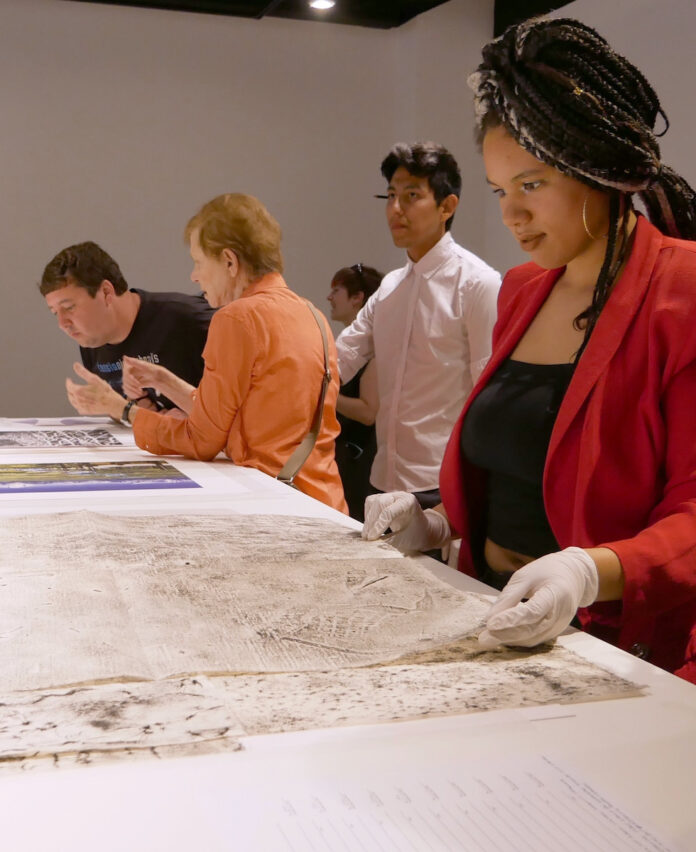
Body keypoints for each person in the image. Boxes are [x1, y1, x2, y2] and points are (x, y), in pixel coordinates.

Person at [363, 18, 696, 684]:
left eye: (532, 185)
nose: (511, 215)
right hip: (489, 605)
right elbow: (521, 457)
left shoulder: (681, 289)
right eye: (499, 191)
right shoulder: (522, 290)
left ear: (597, 165)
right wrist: (434, 518)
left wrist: (587, 571)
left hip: (611, 643)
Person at [65, 194, 347, 513]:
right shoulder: (312, 315)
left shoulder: (235, 318)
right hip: (323, 501)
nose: (194, 276)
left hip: (273, 505)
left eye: (198, 262)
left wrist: (124, 409)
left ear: (229, 261)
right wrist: (166, 381)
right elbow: (250, 418)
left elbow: (202, 439)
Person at [336, 143, 501, 511]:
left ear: (447, 207)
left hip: (441, 488)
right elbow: (339, 361)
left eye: (412, 196)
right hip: (383, 479)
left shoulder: (477, 284)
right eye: (391, 195)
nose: (396, 209)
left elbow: (486, 400)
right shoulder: (390, 288)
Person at [40, 241, 215, 410]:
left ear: (106, 292)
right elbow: (138, 412)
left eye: (69, 307)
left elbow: (236, 405)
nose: (62, 324)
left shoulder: (190, 320)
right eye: (55, 312)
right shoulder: (93, 339)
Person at [328, 263, 382, 521]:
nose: (329, 297)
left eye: (336, 290)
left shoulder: (372, 352)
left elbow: (369, 412)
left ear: (358, 298)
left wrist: (325, 396)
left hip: (357, 461)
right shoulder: (350, 346)